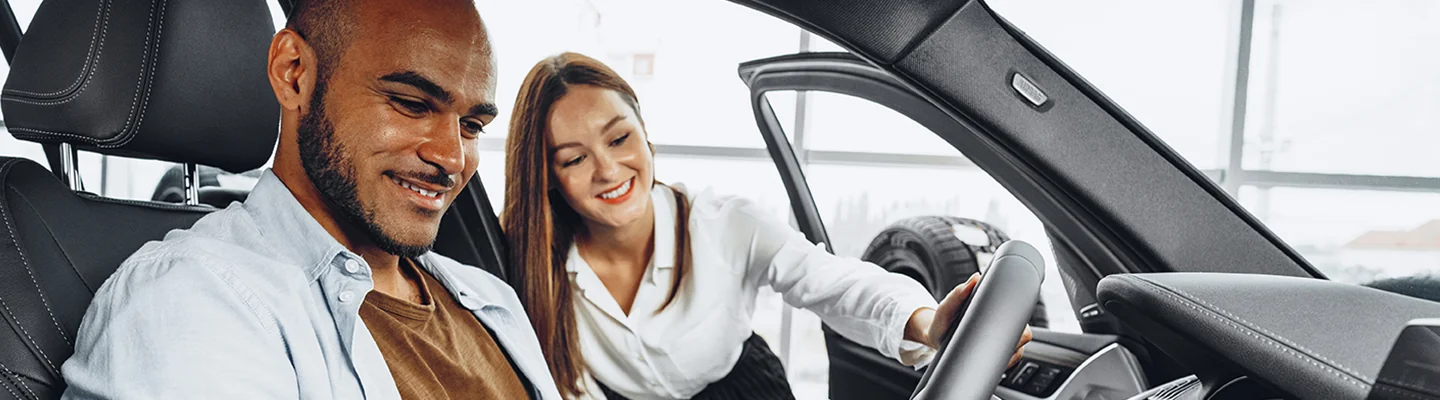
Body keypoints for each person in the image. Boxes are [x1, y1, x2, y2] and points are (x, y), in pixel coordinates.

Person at [61, 1, 561, 399]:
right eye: (411, 104)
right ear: (294, 72)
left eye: (472, 126)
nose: (452, 157)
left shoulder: (492, 301)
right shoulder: (190, 301)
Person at [501, 52, 1032, 400]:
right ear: (548, 177)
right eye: (573, 159)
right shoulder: (527, 259)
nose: (609, 171)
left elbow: (835, 282)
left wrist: (923, 323)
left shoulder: (722, 223)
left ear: (647, 134)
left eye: (619, 139)